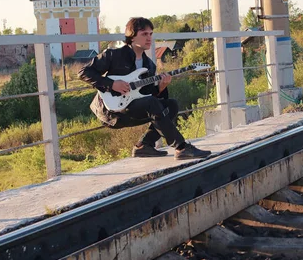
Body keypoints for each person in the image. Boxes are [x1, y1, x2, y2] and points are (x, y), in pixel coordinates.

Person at [78, 17, 211, 160]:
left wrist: (161, 87)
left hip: (132, 108)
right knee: (152, 104)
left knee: (171, 105)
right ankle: (181, 147)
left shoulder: (149, 65)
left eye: (151, 34)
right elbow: (84, 72)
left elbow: (147, 95)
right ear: (132, 36)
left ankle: (144, 146)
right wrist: (112, 84)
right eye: (144, 34)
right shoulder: (113, 55)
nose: (149, 38)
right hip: (111, 112)